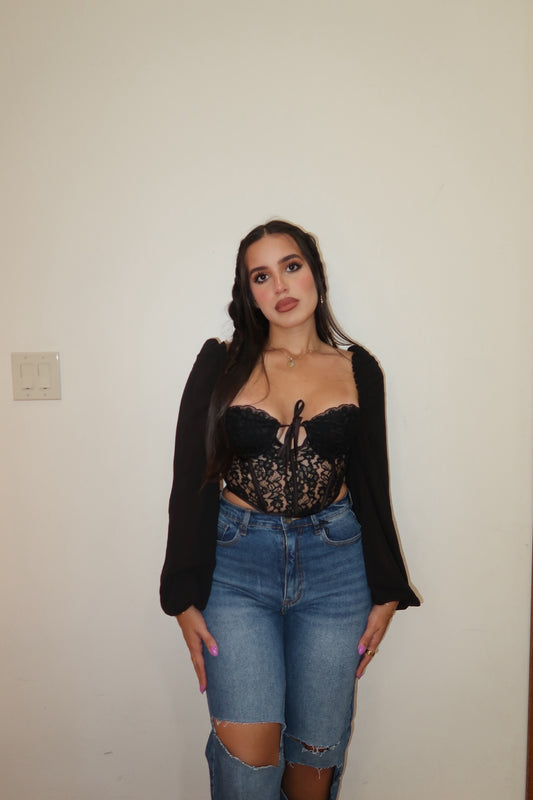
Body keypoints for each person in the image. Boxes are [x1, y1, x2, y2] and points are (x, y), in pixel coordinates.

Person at [160, 220, 419, 800]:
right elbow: (189, 479)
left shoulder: (359, 369)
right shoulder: (221, 364)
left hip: (337, 572)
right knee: (248, 770)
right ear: (248, 292)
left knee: (314, 762)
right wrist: (180, 595)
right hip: (235, 572)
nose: (279, 284)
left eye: (291, 266)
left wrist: (387, 588)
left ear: (315, 274)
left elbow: (372, 482)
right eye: (261, 275)